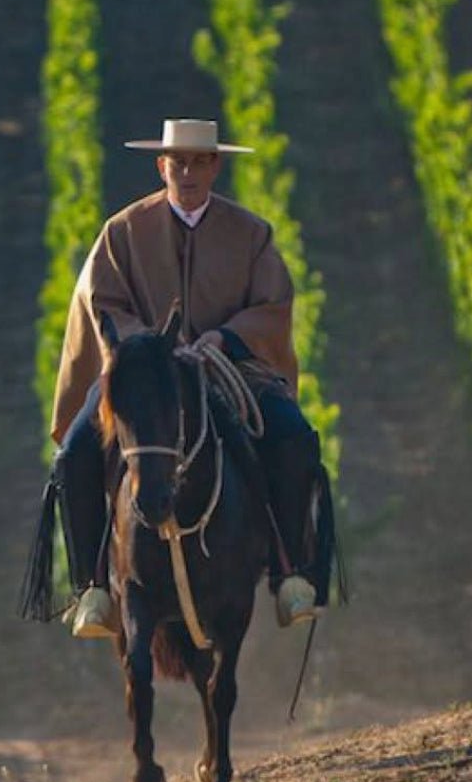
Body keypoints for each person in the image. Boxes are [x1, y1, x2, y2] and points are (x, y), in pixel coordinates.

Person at [50, 118, 324, 638]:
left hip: (231, 368)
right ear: (162, 166)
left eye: (200, 161)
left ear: (215, 166)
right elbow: (102, 304)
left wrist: (222, 337)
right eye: (178, 161)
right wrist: (152, 346)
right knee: (76, 453)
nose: (188, 172)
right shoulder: (122, 232)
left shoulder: (252, 234)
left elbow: (273, 305)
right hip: (141, 373)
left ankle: (290, 574)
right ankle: (93, 587)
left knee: (293, 437)